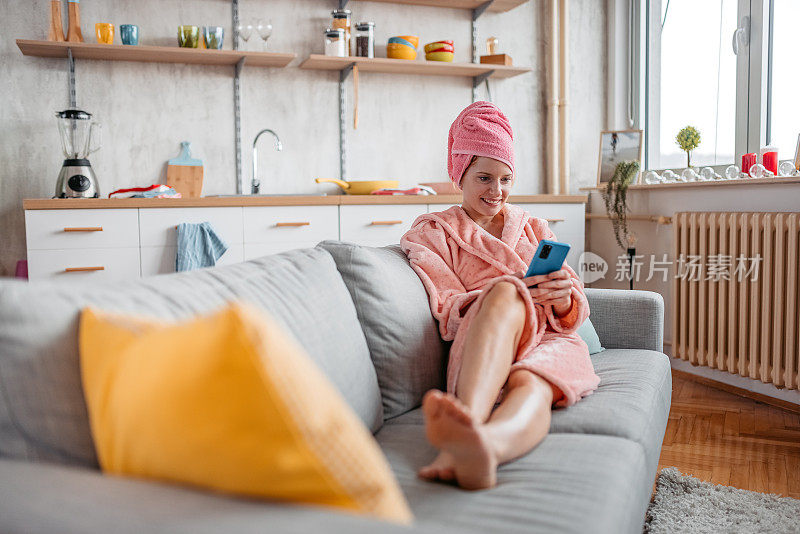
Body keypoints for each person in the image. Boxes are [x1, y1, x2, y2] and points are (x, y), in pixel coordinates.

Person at [399, 101, 600, 490]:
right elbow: (449, 311)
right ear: (460, 174)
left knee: (534, 383)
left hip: (548, 339)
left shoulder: (534, 228)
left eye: (506, 179)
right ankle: (469, 424)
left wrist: (562, 299)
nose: (497, 191)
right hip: (485, 344)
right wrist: (510, 293)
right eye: (485, 178)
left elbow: (574, 307)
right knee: (508, 291)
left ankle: (483, 447)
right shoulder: (433, 234)